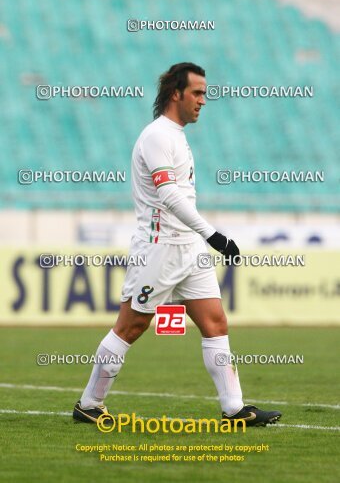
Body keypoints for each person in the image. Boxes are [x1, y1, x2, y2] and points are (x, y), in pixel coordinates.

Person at [73, 62, 281, 427]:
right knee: (131, 327)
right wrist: (213, 234)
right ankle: (89, 403)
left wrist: (200, 239)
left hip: (189, 250)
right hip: (160, 247)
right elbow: (168, 194)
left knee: (215, 322)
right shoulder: (157, 136)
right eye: (198, 93)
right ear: (176, 94)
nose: (204, 100)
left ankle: (234, 409)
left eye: (205, 93)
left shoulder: (177, 135)